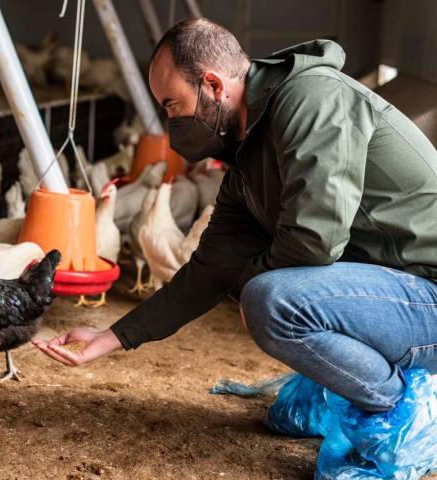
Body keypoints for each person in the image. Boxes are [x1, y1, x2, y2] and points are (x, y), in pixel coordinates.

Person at [33, 17, 437, 477]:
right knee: (266, 295)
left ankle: (399, 405)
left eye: (173, 105)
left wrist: (248, 289)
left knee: (273, 300)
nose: (172, 123)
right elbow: (210, 267)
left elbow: (313, 241)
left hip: (429, 292)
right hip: (397, 292)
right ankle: (375, 390)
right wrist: (109, 338)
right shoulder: (247, 157)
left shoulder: (312, 99)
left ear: (212, 85)